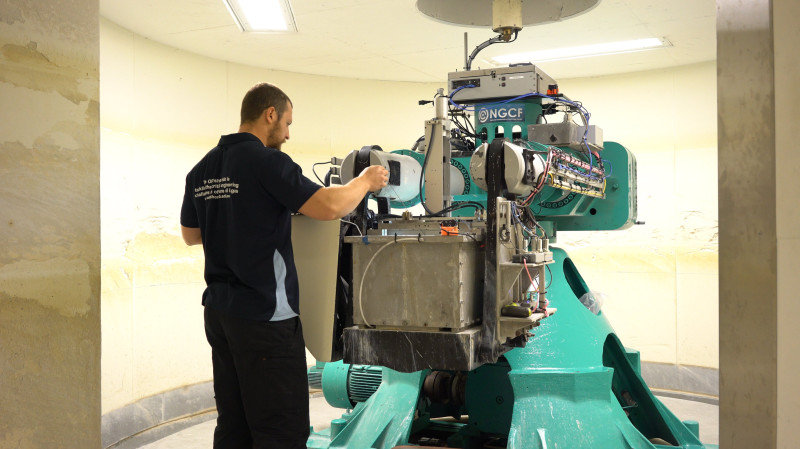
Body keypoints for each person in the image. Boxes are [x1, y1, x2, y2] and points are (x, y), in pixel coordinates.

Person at [180, 82, 388, 449]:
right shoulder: (267, 162)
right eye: (287, 123)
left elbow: (191, 234)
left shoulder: (202, 169)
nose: (288, 134)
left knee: (235, 425)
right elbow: (327, 207)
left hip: (221, 315)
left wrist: (236, 219)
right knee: (281, 430)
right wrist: (365, 181)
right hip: (266, 318)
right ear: (270, 114)